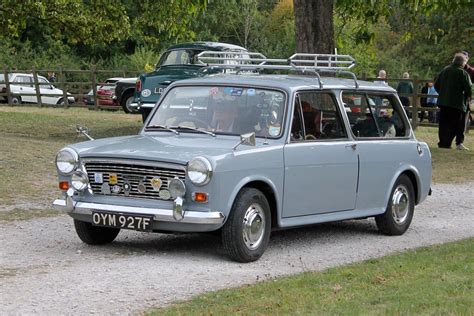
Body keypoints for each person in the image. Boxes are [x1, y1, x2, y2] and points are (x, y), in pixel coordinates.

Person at [434, 53, 472, 150]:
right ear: (462, 63)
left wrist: (442, 93)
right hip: (457, 104)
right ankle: (449, 142)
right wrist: (469, 96)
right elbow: (469, 88)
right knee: (456, 124)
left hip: (443, 102)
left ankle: (443, 143)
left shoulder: (444, 70)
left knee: (443, 124)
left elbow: (436, 84)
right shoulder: (463, 73)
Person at [456, 51, 474, 148]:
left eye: (465, 57)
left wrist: (470, 95)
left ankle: (459, 142)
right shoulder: (452, 69)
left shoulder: (471, 71)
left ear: (467, 59)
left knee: (462, 121)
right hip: (453, 99)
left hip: (464, 101)